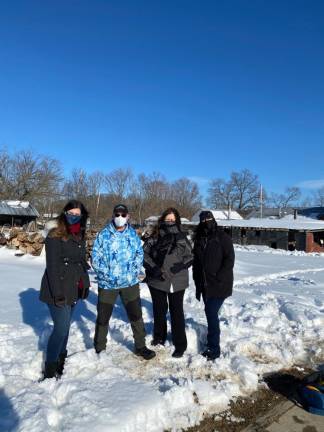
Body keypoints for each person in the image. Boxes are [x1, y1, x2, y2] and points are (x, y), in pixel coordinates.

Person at [92, 204, 155, 360]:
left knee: (136, 316)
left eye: (123, 214)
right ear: (113, 215)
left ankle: (140, 346)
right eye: (117, 214)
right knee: (103, 317)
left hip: (129, 284)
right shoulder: (104, 234)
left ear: (128, 216)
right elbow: (95, 257)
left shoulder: (133, 235)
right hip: (108, 284)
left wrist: (133, 272)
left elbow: (139, 255)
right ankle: (100, 348)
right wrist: (106, 275)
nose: (120, 217)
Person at [39, 200, 90, 379]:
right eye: (71, 213)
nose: (74, 217)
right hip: (57, 288)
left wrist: (86, 283)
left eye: (78, 214)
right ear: (64, 212)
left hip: (74, 287)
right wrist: (57, 293)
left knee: (66, 327)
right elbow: (51, 267)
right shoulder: (55, 234)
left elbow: (81, 262)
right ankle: (50, 370)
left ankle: (61, 359)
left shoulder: (80, 235)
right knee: (60, 328)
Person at [143, 208, 193, 358]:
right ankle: (159, 337)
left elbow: (191, 256)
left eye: (173, 220)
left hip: (177, 280)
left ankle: (180, 344)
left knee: (176, 312)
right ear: (162, 220)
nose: (170, 222)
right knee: (159, 310)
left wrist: (182, 265)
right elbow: (144, 254)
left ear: (176, 221)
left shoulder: (183, 237)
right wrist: (154, 268)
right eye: (167, 219)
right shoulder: (154, 236)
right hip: (157, 279)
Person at [193, 210, 235, 361]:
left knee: (211, 313)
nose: (206, 222)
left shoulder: (222, 237)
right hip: (204, 285)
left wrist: (219, 276)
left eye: (209, 218)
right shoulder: (199, 239)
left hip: (219, 284)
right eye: (203, 220)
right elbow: (196, 261)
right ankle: (212, 341)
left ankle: (214, 349)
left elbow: (230, 259)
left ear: (214, 219)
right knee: (210, 314)